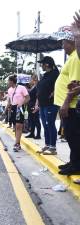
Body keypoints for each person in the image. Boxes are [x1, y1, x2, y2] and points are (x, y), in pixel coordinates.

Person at [52, 26, 80, 175]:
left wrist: (66, 103)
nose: (62, 46)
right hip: (67, 104)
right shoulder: (72, 57)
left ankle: (76, 166)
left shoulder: (76, 58)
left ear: (71, 42)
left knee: (72, 135)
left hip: (71, 105)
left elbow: (75, 84)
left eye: (63, 43)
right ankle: (73, 162)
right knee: (69, 135)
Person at [33, 56, 60, 155]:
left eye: (42, 64)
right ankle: (47, 144)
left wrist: (54, 92)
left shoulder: (56, 74)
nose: (41, 66)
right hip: (43, 104)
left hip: (50, 104)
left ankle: (53, 147)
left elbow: (59, 86)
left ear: (47, 64)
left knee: (50, 124)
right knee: (45, 125)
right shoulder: (45, 75)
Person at [7, 75, 30, 152]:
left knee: (19, 126)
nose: (7, 82)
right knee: (15, 127)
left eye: (8, 81)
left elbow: (28, 97)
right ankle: (18, 143)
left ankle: (16, 144)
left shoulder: (21, 88)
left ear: (12, 81)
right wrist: (8, 108)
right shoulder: (9, 90)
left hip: (20, 108)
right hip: (13, 108)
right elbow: (10, 100)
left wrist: (22, 103)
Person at [26, 75, 41, 140]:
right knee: (31, 120)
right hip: (30, 105)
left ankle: (38, 134)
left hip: (34, 105)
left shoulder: (37, 86)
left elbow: (38, 96)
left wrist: (36, 105)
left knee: (36, 120)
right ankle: (32, 133)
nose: (30, 81)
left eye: (31, 79)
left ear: (34, 79)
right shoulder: (33, 87)